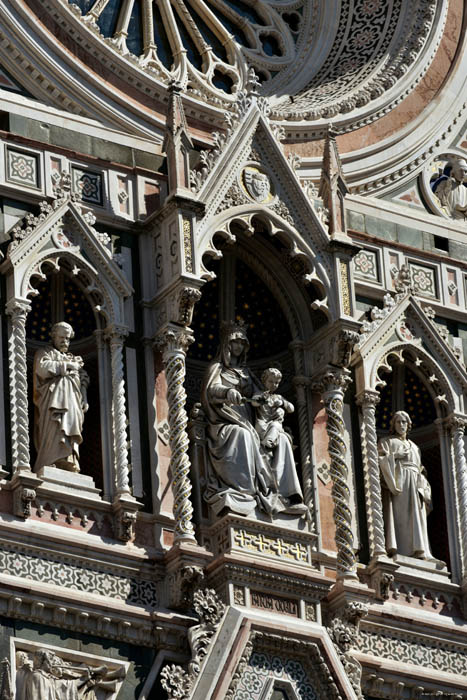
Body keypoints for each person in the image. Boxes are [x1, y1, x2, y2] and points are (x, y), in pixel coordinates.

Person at [201, 320, 305, 517]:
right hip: (224, 421)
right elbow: (210, 390)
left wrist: (263, 401)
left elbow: (261, 396)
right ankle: (244, 492)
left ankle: (287, 496)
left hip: (250, 421)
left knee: (282, 439)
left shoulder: (247, 373)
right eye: (236, 342)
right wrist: (227, 392)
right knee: (243, 435)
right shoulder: (217, 368)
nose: (239, 346)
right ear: (227, 344)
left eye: (242, 343)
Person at [33, 322, 89, 473]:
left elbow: (83, 379)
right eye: (62, 338)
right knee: (54, 428)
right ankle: (50, 459)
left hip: (72, 402)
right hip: (52, 401)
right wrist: (68, 366)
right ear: (53, 337)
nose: (65, 342)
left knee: (71, 426)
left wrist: (84, 397)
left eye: (68, 339)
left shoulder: (73, 358)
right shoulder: (44, 352)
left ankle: (69, 459)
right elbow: (42, 369)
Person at [378, 411, 433, 559]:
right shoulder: (387, 442)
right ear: (393, 425)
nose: (401, 425)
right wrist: (395, 456)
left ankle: (421, 549)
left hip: (415, 484)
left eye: (404, 422)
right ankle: (401, 550)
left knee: (417, 516)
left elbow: (420, 467)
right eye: (398, 422)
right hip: (399, 482)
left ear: (409, 425)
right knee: (401, 516)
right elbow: (379, 462)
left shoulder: (415, 447)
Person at [255, 368, 303, 504]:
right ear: (264, 380)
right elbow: (253, 401)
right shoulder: (260, 394)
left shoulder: (278, 397)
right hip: (261, 426)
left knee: (277, 427)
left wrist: (282, 403)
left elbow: (291, 408)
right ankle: (267, 442)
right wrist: (261, 401)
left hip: (274, 428)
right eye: (271, 381)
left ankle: (268, 443)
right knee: (275, 427)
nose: (274, 385)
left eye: (276, 383)